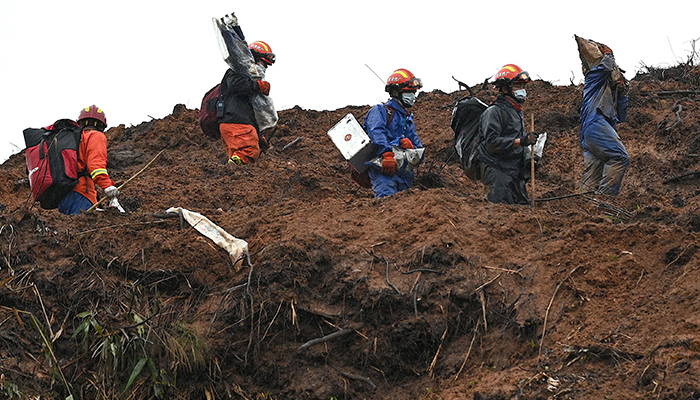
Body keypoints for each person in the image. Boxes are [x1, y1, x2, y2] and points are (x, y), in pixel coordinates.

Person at [476, 64, 537, 205]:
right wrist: (521, 141)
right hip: (497, 171)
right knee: (499, 215)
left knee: (522, 211)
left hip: (515, 171)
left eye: (523, 86)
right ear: (505, 89)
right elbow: (492, 143)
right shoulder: (494, 112)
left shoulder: (517, 112)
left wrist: (528, 158)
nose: (522, 91)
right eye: (517, 86)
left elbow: (518, 141)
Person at [363, 68, 425, 198]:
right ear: (396, 91)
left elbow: (419, 148)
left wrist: (412, 148)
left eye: (414, 92)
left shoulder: (407, 119)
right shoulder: (380, 111)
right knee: (387, 205)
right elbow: (376, 133)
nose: (413, 96)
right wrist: (386, 153)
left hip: (405, 175)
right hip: (384, 171)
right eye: (409, 92)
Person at [579, 44, 629, 196]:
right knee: (619, 157)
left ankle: (585, 208)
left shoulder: (608, 89)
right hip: (595, 125)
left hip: (592, 132)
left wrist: (622, 94)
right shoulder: (593, 77)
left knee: (593, 173)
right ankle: (606, 200)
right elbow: (606, 67)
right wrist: (609, 55)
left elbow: (622, 116)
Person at [57, 105, 122, 215]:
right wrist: (107, 186)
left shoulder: (73, 139)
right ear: (101, 125)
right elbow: (96, 166)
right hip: (81, 192)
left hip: (62, 195)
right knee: (83, 227)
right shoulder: (96, 136)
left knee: (70, 229)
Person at [219, 40, 275, 165]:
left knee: (241, 162)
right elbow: (236, 85)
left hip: (236, 123)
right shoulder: (235, 71)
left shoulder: (247, 83)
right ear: (253, 58)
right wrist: (258, 85)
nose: (264, 68)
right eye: (263, 64)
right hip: (236, 123)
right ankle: (230, 170)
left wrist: (260, 139)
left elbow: (249, 114)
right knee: (248, 152)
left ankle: (230, 180)